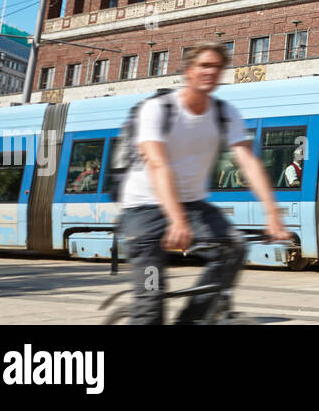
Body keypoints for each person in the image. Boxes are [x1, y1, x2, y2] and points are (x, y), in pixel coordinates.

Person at [119, 43, 292, 324]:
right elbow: (158, 165)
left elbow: (249, 162)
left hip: (193, 205)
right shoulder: (158, 109)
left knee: (233, 247)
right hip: (144, 211)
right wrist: (177, 221)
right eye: (204, 66)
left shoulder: (225, 113)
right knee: (150, 302)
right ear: (188, 71)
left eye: (216, 67)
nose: (211, 72)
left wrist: (273, 215)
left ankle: (191, 320)